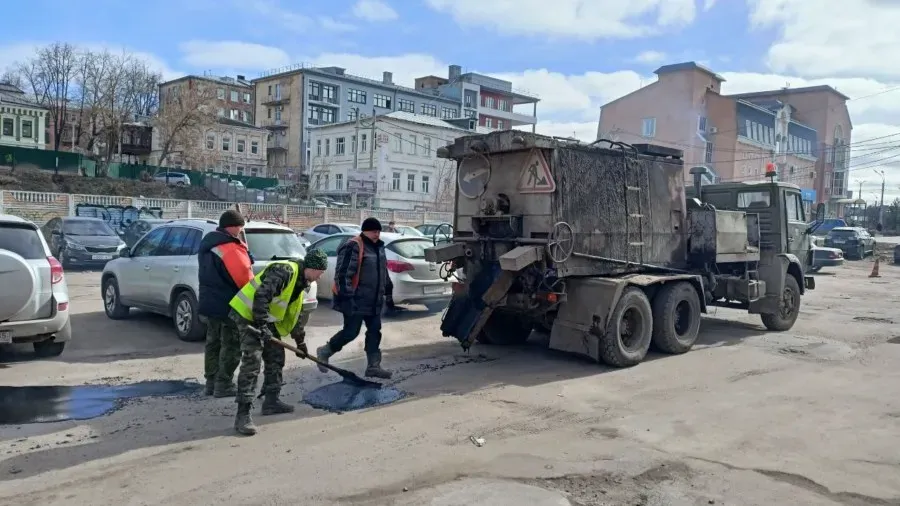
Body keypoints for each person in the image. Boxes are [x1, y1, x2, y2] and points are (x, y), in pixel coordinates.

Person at [228, 249, 328, 436]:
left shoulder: (300, 284)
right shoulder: (285, 271)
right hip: (247, 315)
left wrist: (301, 343)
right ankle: (242, 415)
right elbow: (261, 296)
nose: (320, 278)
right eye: (320, 273)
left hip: (263, 319)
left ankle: (271, 401)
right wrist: (262, 326)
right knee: (252, 361)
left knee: (276, 356)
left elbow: (294, 316)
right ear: (313, 268)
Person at [317, 217, 393, 379]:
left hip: (374, 300)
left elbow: (383, 271)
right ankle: (325, 351)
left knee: (374, 332)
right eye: (374, 231)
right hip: (355, 300)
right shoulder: (354, 246)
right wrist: (347, 298)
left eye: (379, 231)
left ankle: (374, 366)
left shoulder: (379, 247)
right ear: (365, 231)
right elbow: (343, 274)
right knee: (351, 332)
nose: (377, 234)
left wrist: (388, 290)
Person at [198, 209, 253, 398]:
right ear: (233, 227)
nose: (240, 230)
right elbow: (244, 279)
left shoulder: (209, 244)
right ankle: (224, 384)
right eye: (240, 227)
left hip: (209, 301)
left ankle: (211, 383)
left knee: (213, 342)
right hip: (228, 304)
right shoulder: (229, 248)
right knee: (231, 344)